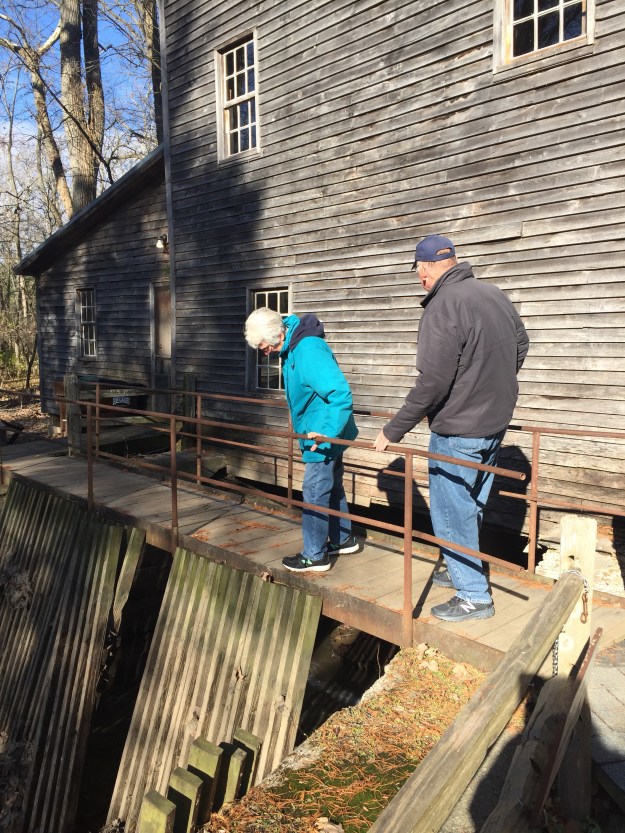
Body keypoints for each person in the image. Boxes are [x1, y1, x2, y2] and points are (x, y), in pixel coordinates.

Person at [373, 234, 529, 622]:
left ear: (426, 268)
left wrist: (393, 430)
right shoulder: (493, 294)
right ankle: (460, 567)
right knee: (471, 504)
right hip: (493, 422)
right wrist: (490, 386)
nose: (420, 279)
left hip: (458, 428)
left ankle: (474, 596)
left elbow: (433, 382)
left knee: (450, 511)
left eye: (419, 272)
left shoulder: (442, 305)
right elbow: (521, 344)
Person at [244, 307, 359, 572]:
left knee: (315, 490)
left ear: (278, 334)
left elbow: (340, 394)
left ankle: (315, 555)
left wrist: (327, 433)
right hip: (323, 429)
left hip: (322, 435)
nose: (265, 353)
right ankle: (342, 539)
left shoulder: (307, 350)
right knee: (332, 486)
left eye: (265, 347)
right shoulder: (293, 347)